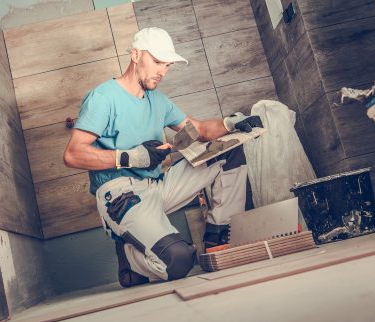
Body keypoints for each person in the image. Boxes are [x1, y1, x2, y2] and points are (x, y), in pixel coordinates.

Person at [64, 27, 263, 288]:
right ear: (136, 54)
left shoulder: (158, 100)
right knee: (179, 260)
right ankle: (129, 257)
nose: (163, 72)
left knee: (228, 152)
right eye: (157, 62)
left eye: (167, 65)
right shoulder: (103, 98)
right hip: (122, 195)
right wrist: (132, 157)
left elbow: (200, 130)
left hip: (159, 186)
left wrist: (231, 124)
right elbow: (73, 154)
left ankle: (218, 237)